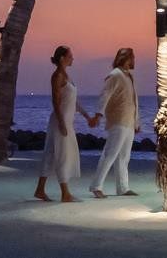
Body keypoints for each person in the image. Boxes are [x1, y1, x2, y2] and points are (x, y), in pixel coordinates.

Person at [34, 45, 95, 202]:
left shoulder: (66, 76)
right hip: (60, 121)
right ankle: (65, 193)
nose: (73, 58)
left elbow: (73, 102)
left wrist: (87, 116)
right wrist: (61, 123)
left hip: (65, 120)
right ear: (62, 58)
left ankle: (40, 190)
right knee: (63, 155)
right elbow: (55, 101)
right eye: (70, 55)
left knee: (50, 154)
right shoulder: (57, 76)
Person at [88, 47, 141, 198]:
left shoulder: (129, 76)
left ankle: (123, 188)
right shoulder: (115, 75)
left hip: (129, 121)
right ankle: (96, 186)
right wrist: (98, 115)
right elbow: (105, 95)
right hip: (118, 121)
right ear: (126, 59)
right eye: (132, 57)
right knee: (110, 154)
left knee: (124, 157)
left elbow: (133, 101)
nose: (134, 60)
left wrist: (136, 122)